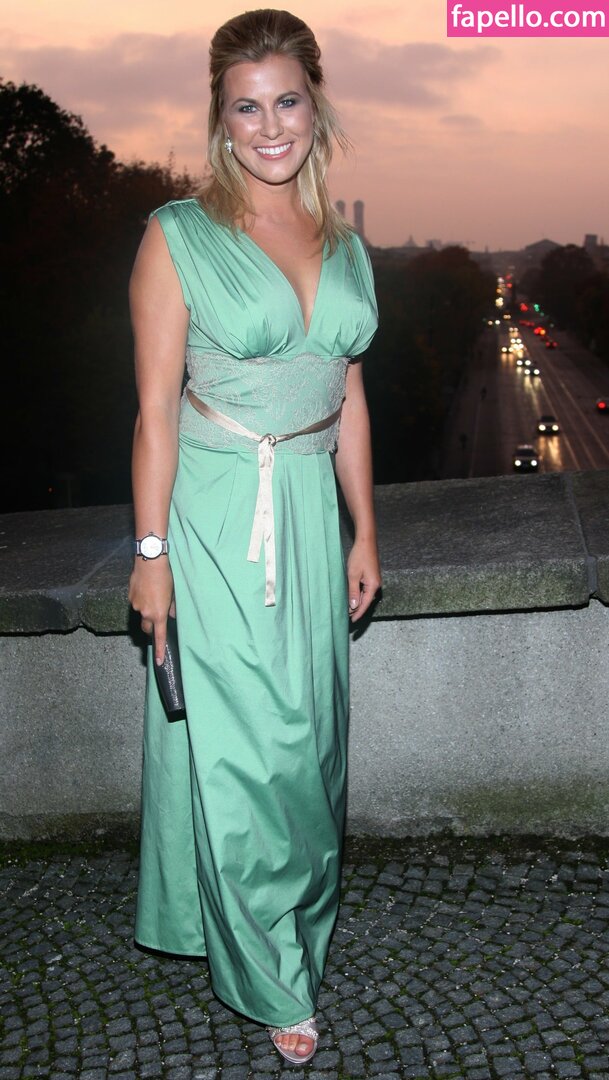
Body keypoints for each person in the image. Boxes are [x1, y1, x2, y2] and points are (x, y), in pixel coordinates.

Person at [128, 8, 380, 1066]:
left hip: (311, 517)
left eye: (286, 101)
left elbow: (346, 395)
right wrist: (151, 557)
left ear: (316, 109)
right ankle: (276, 977)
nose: (270, 125)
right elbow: (153, 413)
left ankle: (294, 929)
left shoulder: (347, 243)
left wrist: (366, 529)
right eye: (247, 107)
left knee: (312, 749)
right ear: (220, 121)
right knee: (250, 753)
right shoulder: (177, 235)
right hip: (219, 513)